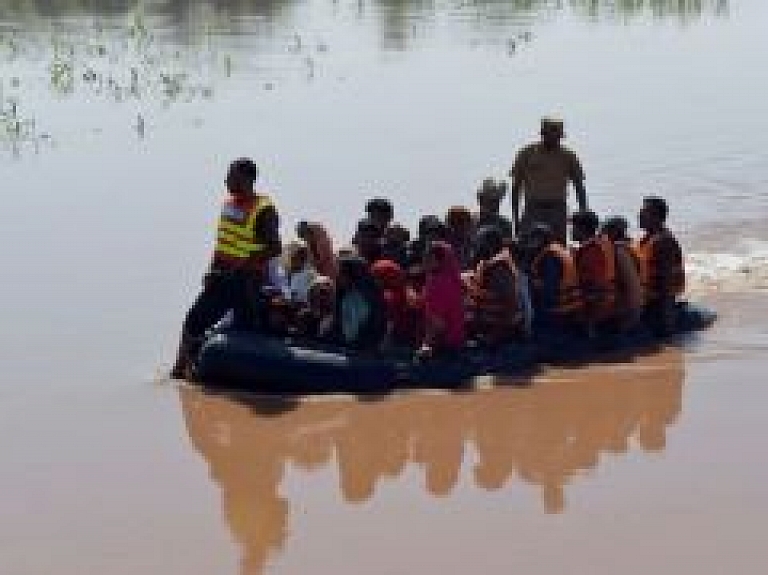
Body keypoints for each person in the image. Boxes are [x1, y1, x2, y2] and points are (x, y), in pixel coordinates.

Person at [171, 158, 281, 378]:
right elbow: (222, 245)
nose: (226, 180)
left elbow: (274, 247)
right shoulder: (228, 206)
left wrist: (243, 264)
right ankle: (182, 369)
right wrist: (210, 270)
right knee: (194, 321)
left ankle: (250, 378)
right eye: (228, 175)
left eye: (232, 176)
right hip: (222, 278)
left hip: (246, 281)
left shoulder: (263, 209)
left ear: (249, 179)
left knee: (248, 330)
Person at [510, 118, 588, 245]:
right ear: (543, 134)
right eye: (551, 135)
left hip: (558, 209)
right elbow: (516, 188)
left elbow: (579, 187)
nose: (555, 139)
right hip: (533, 208)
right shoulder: (526, 153)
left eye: (558, 136)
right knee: (528, 246)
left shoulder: (568, 156)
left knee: (558, 246)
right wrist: (516, 219)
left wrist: (584, 216)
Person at [465, 227, 525, 346]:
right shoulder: (487, 264)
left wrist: (496, 335)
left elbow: (510, 304)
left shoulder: (499, 269)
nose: (477, 247)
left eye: (479, 243)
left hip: (501, 329)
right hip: (487, 324)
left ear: (490, 245)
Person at [634, 196, 685, 336]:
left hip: (656, 304)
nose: (639, 216)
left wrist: (667, 318)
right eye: (641, 212)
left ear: (657, 217)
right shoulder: (644, 240)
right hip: (644, 300)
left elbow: (666, 281)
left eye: (644, 213)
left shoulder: (664, 242)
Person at [525, 223, 582, 335]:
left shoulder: (549, 258)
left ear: (543, 239)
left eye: (534, 238)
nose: (531, 242)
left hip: (558, 311)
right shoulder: (558, 249)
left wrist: (532, 285)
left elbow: (550, 290)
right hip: (571, 307)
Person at [570, 211, 617, 334]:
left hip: (598, 309)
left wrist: (589, 321)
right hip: (607, 302)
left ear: (583, 229)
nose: (571, 231)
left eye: (573, 228)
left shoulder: (592, 252)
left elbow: (595, 286)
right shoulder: (601, 244)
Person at [420, 241, 466, 357]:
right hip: (458, 343)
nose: (424, 260)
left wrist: (426, 346)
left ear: (439, 261)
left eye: (429, 257)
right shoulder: (454, 280)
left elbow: (438, 324)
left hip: (444, 347)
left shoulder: (436, 283)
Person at [333, 255, 388, 351]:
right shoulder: (343, 294)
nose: (338, 276)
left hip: (363, 352)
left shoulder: (370, 299)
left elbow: (373, 329)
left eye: (341, 273)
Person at [601, 216, 644, 332]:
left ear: (614, 231)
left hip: (627, 309)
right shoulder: (628, 246)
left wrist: (632, 317)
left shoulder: (620, 251)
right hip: (629, 305)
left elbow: (633, 284)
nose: (602, 235)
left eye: (605, 231)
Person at [371, 259, 425, 348]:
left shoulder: (402, 295)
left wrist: (384, 343)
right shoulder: (395, 292)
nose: (376, 282)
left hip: (403, 344)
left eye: (378, 277)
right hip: (401, 341)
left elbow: (392, 322)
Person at [295, 275, 336, 342]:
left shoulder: (333, 320)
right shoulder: (303, 317)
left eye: (325, 293)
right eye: (319, 292)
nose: (321, 297)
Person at [445, 206, 475, 271]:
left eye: (461, 221)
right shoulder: (444, 244)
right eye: (453, 222)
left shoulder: (474, 241)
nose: (458, 226)